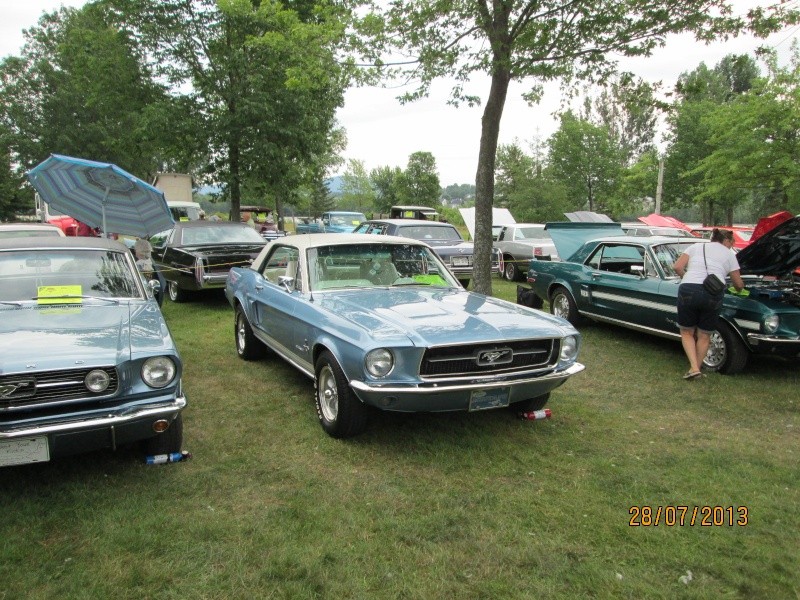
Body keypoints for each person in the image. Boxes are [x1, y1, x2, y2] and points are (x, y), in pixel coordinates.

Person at [672, 228, 745, 380]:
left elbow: (677, 267)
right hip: (713, 294)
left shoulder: (695, 247)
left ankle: (693, 368)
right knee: (704, 334)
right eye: (732, 242)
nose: (732, 245)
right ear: (726, 240)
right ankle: (696, 368)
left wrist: (688, 278)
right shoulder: (730, 255)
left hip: (688, 289)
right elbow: (738, 284)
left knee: (687, 332)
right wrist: (740, 288)